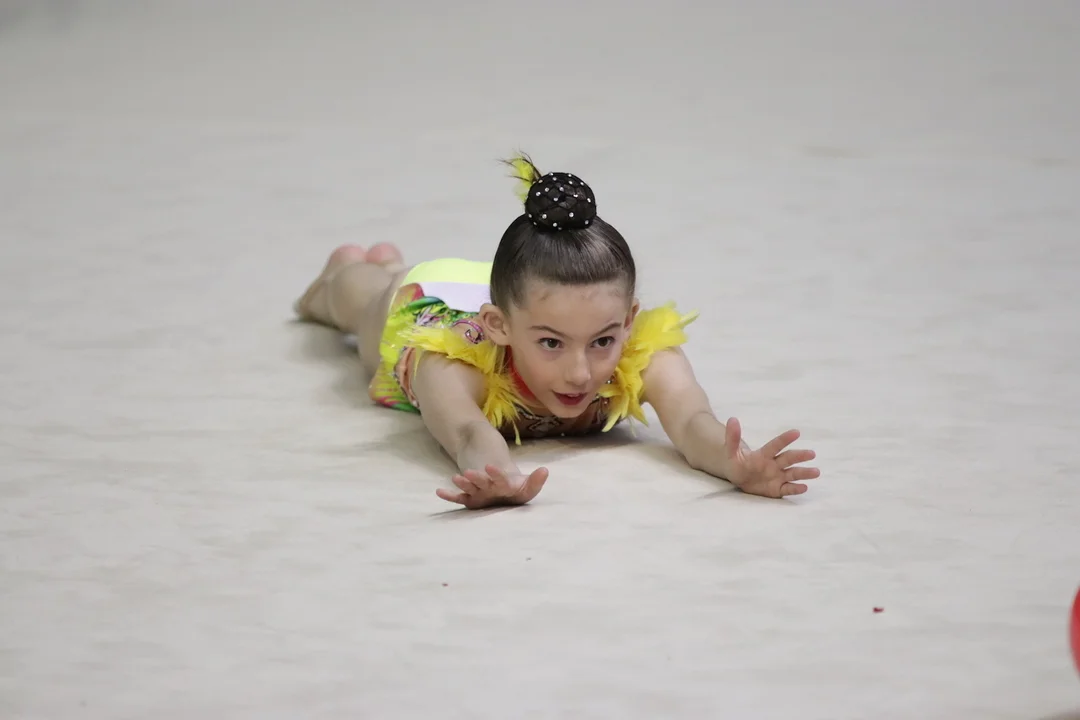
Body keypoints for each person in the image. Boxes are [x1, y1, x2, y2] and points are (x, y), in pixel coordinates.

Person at [294, 153, 819, 509]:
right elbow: (468, 432)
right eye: (551, 344)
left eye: (603, 341)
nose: (580, 372)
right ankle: (348, 273)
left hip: (532, 295)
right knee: (356, 299)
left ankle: (378, 262)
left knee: (555, 312)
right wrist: (500, 475)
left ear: (629, 321)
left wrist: (736, 462)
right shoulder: (451, 367)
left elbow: (691, 421)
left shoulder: (645, 352)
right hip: (434, 298)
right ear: (498, 325)